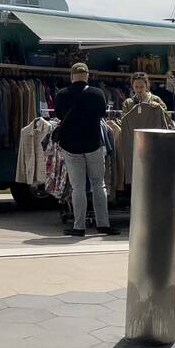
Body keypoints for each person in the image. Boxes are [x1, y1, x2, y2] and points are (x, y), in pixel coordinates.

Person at [54, 63, 118, 237]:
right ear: (87, 75)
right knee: (99, 185)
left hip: (71, 145)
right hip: (93, 144)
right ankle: (103, 225)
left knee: (78, 188)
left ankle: (79, 227)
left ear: (71, 76)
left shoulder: (61, 95)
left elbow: (59, 115)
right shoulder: (97, 94)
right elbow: (102, 114)